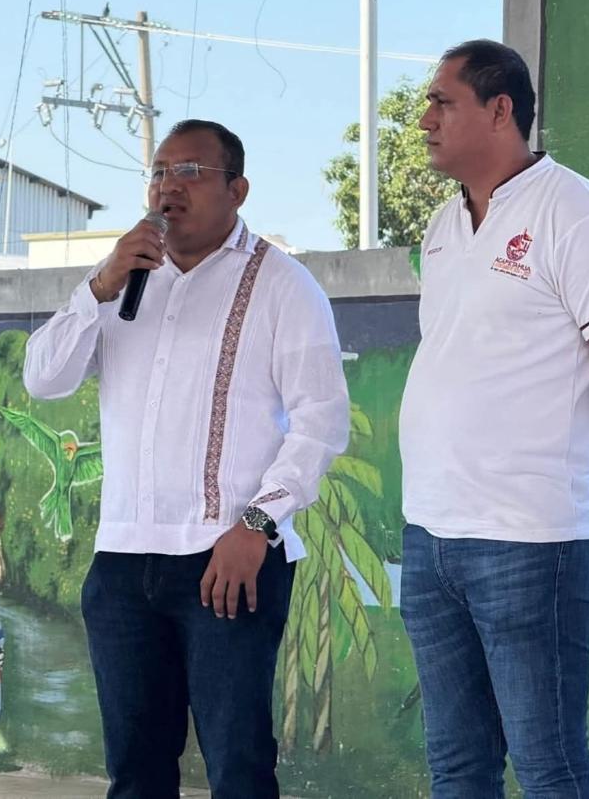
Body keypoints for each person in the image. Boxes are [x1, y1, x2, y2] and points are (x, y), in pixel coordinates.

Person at [23, 119, 349, 799]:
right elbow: (44, 379)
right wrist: (100, 284)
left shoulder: (283, 284)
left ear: (238, 190)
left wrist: (256, 525)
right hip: (122, 563)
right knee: (135, 772)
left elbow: (321, 422)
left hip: (228, 558)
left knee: (238, 769)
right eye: (158, 173)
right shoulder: (122, 282)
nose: (168, 187)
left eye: (190, 172)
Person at [398, 39, 589, 798]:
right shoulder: (443, 226)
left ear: (500, 109)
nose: (425, 119)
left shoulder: (572, 210)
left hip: (533, 536)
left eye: (442, 101)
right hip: (432, 533)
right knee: (458, 767)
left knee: (548, 766)